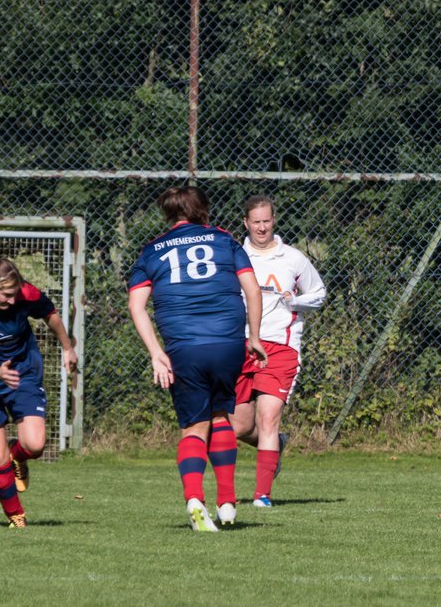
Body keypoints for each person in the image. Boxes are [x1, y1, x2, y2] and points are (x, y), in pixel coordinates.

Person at [127, 186, 267, 532]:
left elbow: (136, 306)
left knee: (194, 426)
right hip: (226, 343)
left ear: (169, 214)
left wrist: (156, 353)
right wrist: (253, 337)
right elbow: (251, 289)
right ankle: (228, 503)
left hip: (184, 347)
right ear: (203, 211)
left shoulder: (152, 251)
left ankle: (193, 498)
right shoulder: (224, 240)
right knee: (220, 415)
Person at [0, 256, 78, 528]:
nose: (11, 300)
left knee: (34, 444)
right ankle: (16, 517)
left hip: (22, 373)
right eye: (6, 295)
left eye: (14, 294)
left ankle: (17, 456)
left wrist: (67, 347)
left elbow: (50, 314)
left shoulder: (25, 294)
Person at [228, 195, 326, 508]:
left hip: (280, 348)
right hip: (238, 346)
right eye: (255, 222)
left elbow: (319, 293)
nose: (261, 227)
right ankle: (276, 447)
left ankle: (262, 496)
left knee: (268, 418)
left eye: (266, 221)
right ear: (246, 223)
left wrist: (294, 301)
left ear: (274, 220)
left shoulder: (293, 259)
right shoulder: (233, 256)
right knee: (241, 426)